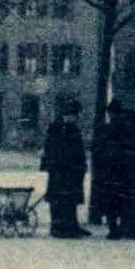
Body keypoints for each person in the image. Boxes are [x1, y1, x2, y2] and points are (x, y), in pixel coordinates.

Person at [94, 101, 135, 239]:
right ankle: (131, 230)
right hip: (129, 173)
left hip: (111, 172)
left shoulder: (106, 129)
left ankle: (114, 230)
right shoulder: (132, 130)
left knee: (112, 201)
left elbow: (99, 151)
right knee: (131, 202)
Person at [40, 99, 89, 238]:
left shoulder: (71, 128)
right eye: (75, 115)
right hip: (60, 172)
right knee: (60, 199)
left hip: (71, 171)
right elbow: (54, 151)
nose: (77, 118)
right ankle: (58, 228)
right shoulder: (57, 129)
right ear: (68, 114)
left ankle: (72, 225)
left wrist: (81, 165)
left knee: (70, 199)